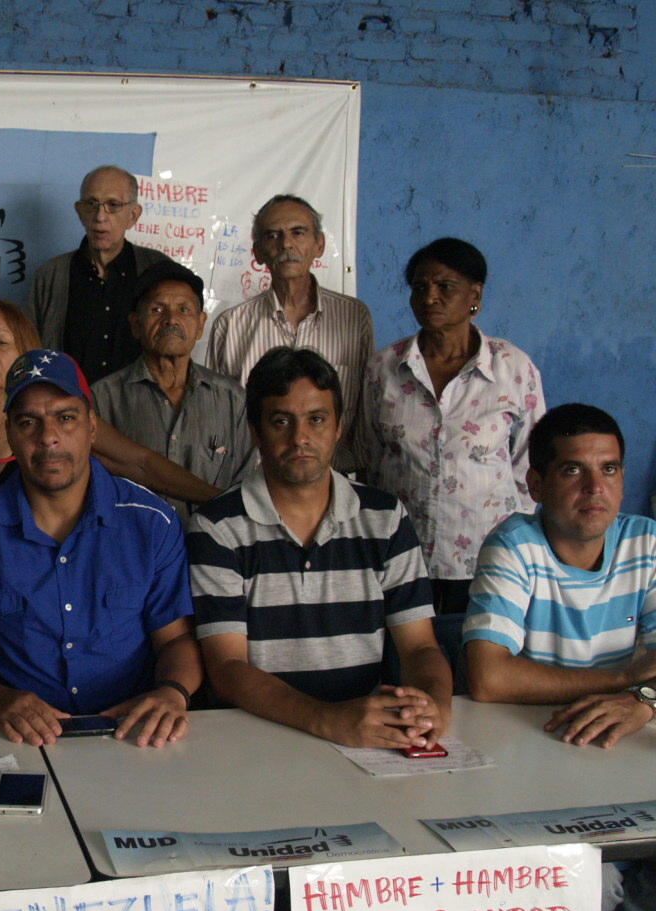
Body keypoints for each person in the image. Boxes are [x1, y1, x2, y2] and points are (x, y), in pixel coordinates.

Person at [0, 350, 202, 748]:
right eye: (29, 422)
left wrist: (171, 692)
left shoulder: (151, 523)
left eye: (66, 417)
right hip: (16, 739)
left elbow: (177, 640)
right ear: (9, 432)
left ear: (92, 426)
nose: (48, 437)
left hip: (133, 737)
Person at [189, 347, 452, 748]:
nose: (301, 438)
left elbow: (419, 647)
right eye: (281, 421)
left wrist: (433, 705)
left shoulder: (385, 517)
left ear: (338, 428)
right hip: (255, 739)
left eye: (317, 419)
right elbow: (227, 668)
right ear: (256, 432)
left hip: (364, 736)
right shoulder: (217, 527)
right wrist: (326, 719)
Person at [365, 237, 544, 614]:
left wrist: (524, 544)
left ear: (475, 294)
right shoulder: (384, 368)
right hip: (402, 553)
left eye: (445, 286)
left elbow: (531, 463)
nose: (430, 297)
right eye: (420, 287)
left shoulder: (513, 368)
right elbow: (372, 457)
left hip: (489, 555)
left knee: (479, 661)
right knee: (408, 661)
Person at [464, 404, 656, 746]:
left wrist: (642, 701)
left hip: (615, 732)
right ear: (536, 485)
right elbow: (489, 679)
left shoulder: (646, 543)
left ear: (623, 480)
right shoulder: (513, 547)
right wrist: (624, 679)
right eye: (572, 470)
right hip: (531, 731)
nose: (595, 487)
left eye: (609, 469)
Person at [0, 301, 222, 513]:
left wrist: (219, 501)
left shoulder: (65, 419)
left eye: (2, 343)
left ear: (26, 354)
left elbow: (141, 464)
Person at [205, 194, 372, 473]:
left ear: (319, 245)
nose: (286, 244)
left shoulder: (354, 318)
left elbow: (366, 419)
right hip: (252, 483)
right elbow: (215, 421)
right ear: (257, 252)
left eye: (298, 232)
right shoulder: (230, 325)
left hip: (332, 481)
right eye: (273, 235)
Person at [92, 261, 253, 521]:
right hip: (134, 551)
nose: (171, 320)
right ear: (135, 324)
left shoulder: (234, 401)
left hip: (212, 551)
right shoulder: (101, 399)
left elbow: (246, 490)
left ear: (201, 324)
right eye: (157, 309)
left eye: (184, 309)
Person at [28, 165, 172, 380]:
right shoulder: (50, 276)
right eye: (91, 204)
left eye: (113, 205)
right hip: (70, 407)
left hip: (140, 406)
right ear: (79, 210)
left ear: (134, 215)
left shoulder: (158, 270)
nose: (100, 216)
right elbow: (31, 351)